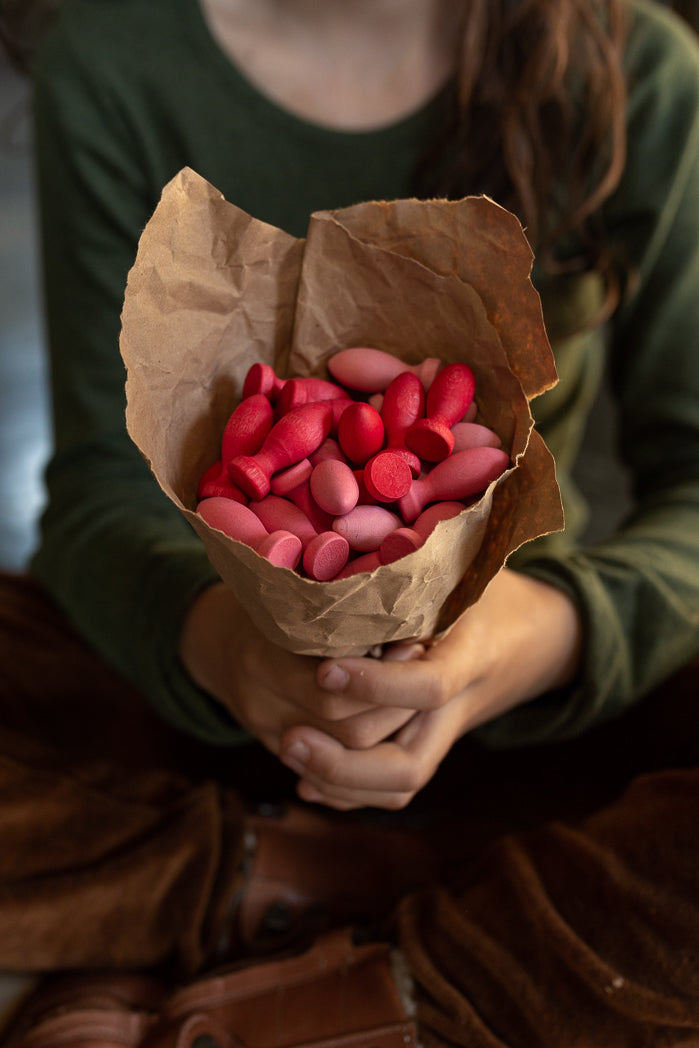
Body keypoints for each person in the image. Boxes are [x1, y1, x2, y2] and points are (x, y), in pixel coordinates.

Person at [0, 0, 697, 1042]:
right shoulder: (114, 62)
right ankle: (285, 886)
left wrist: (530, 639)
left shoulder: (632, 67)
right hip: (192, 719)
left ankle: (366, 981)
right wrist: (228, 649)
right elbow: (99, 496)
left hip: (539, 715)